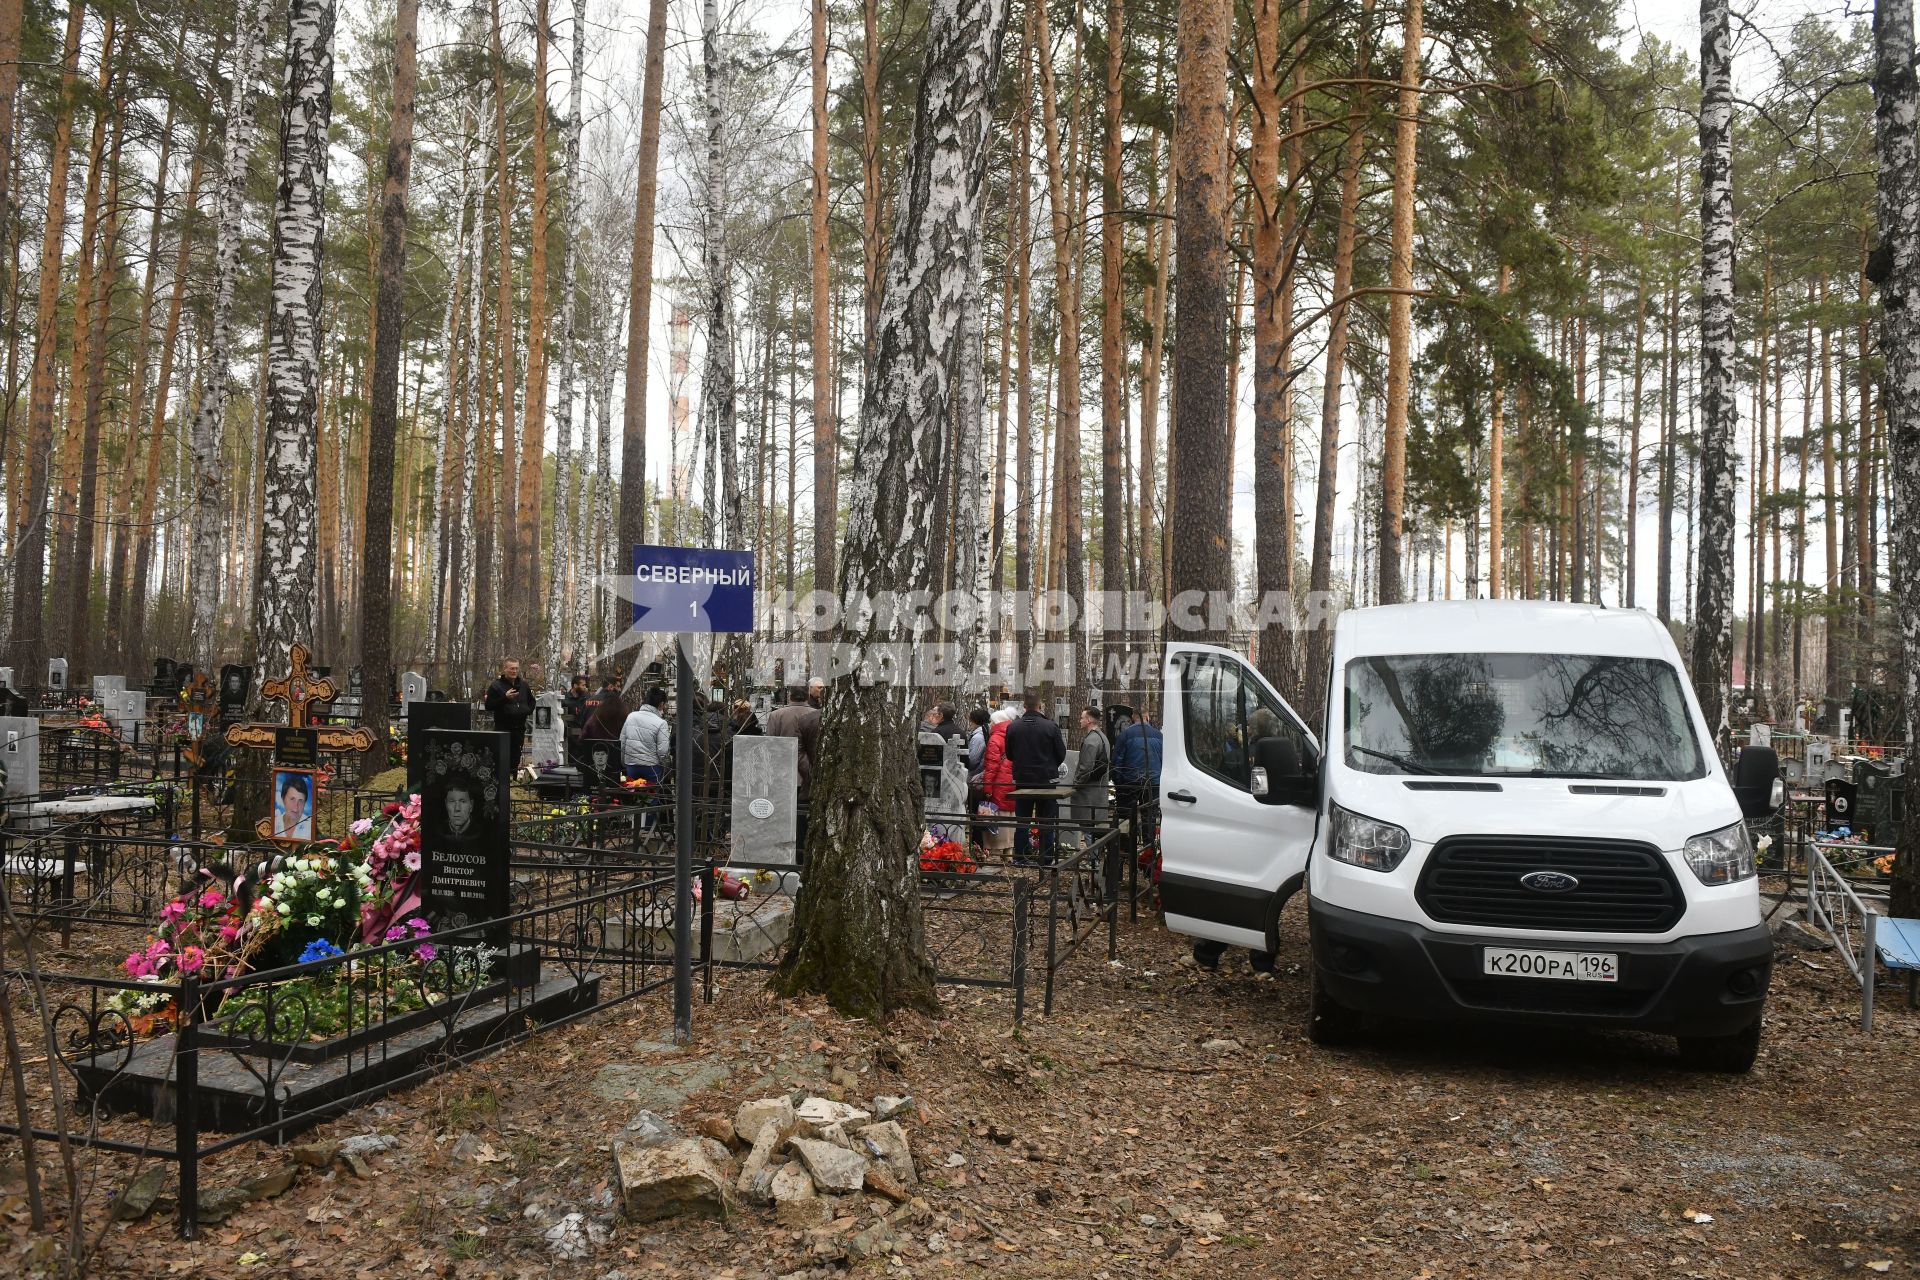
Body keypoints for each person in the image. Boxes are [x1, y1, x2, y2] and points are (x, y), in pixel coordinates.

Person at [1004, 693, 1067, 865]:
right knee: (1046, 819)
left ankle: (1020, 857)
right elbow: (1061, 753)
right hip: (1046, 779)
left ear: (1025, 707)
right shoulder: (1050, 726)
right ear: (1040, 706)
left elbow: (1009, 754)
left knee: (1022, 820)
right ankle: (1046, 858)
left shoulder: (1014, 727)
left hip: (1023, 780)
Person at [766, 683, 822, 861]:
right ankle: (803, 855)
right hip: (811, 775)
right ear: (807, 695)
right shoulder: (815, 716)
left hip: (783, 775)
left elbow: (770, 745)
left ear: (789, 695)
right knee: (804, 819)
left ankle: (783, 854)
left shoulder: (777, 715)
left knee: (782, 816)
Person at [1071, 706, 1111, 853]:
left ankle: (1094, 862)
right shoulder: (1102, 737)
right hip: (1098, 792)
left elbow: (1085, 767)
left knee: (1088, 829)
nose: (1080, 720)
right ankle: (1096, 861)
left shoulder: (1091, 740)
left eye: (1082, 718)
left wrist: (1076, 784)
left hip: (1089, 793)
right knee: (1092, 829)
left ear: (1088, 720)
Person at [484, 659, 534, 769]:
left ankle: (513, 780)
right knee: (502, 758)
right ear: (505, 669)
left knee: (515, 757)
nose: (514, 671)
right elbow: (489, 706)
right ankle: (503, 783)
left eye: (516, 668)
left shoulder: (523, 685)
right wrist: (505, 698)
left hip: (519, 728)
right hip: (503, 729)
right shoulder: (496, 686)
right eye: (512, 668)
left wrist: (526, 711)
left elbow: (532, 701)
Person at [620, 686, 671, 786]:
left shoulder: (631, 716)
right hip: (651, 767)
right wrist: (665, 767)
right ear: (661, 704)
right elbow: (663, 751)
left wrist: (624, 762)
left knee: (633, 795)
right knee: (650, 797)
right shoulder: (661, 723)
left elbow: (622, 742)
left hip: (631, 765)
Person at [579, 685, 627, 787]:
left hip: (594, 759)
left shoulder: (596, 717)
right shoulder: (624, 716)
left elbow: (582, 737)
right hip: (616, 761)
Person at [274, 772, 313, 841]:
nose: (296, 807)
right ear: (283, 799)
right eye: (292, 799)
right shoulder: (274, 823)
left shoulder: (310, 826)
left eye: (301, 801)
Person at [562, 674, 591, 756]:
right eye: (583, 685)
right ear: (575, 685)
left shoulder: (587, 698)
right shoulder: (565, 699)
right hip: (569, 738)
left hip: (583, 736)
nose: (585, 687)